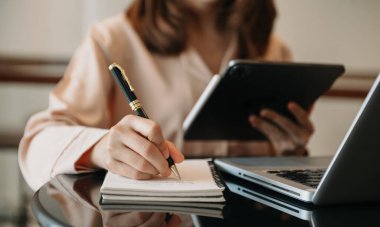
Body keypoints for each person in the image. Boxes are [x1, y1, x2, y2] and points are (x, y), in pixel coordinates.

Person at [19, 0, 314, 191]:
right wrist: (100, 148)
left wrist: (292, 154)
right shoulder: (112, 40)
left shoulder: (273, 50)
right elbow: (38, 143)